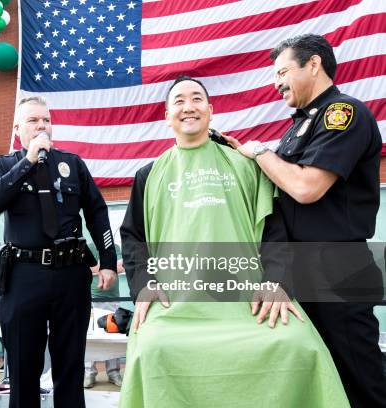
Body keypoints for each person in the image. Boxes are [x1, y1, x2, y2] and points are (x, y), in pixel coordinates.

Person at [119, 76, 348, 407]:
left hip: (248, 302)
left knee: (300, 345)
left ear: (210, 111)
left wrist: (277, 281)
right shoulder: (148, 175)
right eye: (179, 101)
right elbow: (133, 236)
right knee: (151, 348)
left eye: (197, 99)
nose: (188, 107)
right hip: (178, 306)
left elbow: (274, 232)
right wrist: (143, 285)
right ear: (167, 116)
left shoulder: (246, 166)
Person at [229, 34, 386, 407]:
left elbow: (305, 188)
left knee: (360, 379)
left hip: (337, 270)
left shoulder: (342, 114)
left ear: (313, 64)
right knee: (320, 377)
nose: (277, 81)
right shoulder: (299, 124)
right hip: (301, 270)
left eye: (283, 71)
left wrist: (260, 153)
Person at [0, 96, 118, 408]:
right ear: (18, 129)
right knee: (23, 368)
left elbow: (97, 212)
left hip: (70, 275)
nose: (42, 126)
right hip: (23, 277)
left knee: (70, 366)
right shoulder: (5, 164)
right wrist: (27, 161)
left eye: (46, 120)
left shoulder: (72, 164)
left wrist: (108, 262)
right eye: (33, 121)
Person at [84, 257, 124, 388]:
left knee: (114, 335)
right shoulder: (86, 239)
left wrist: (99, 268)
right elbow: (84, 265)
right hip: (91, 296)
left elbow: (123, 266)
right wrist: (108, 267)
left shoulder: (116, 243)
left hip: (114, 297)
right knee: (89, 335)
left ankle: (114, 373)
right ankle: (89, 373)